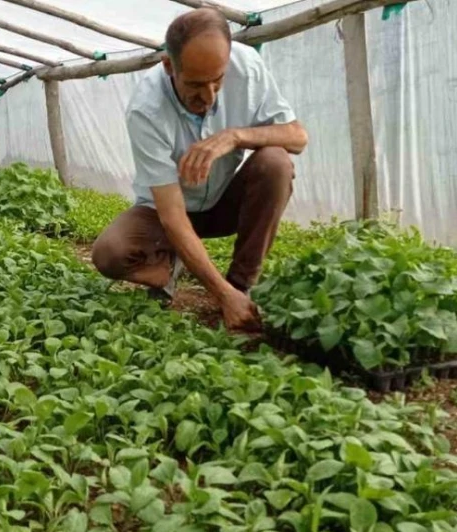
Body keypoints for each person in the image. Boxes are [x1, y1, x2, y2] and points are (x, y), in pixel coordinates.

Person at [91, 8, 308, 332]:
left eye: (217, 81)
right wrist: (218, 294)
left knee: (275, 162)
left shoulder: (247, 67)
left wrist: (235, 136)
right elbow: (172, 214)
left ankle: (241, 284)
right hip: (167, 214)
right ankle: (169, 265)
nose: (207, 97)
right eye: (194, 84)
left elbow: (297, 137)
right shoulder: (146, 109)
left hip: (222, 204)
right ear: (169, 66)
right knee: (110, 252)